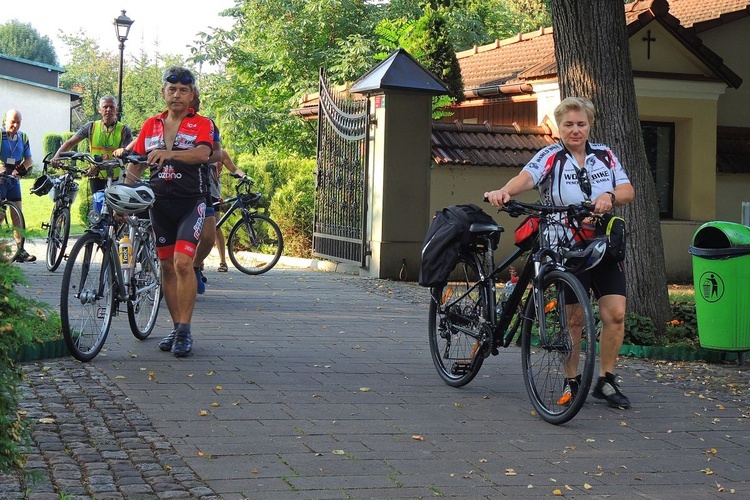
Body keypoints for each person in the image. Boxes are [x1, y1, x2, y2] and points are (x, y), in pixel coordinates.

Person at [484, 96, 635, 409]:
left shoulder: (604, 155)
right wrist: (505, 191)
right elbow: (525, 178)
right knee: (574, 320)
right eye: (569, 124)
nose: (575, 130)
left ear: (589, 125)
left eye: (581, 124)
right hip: (565, 247)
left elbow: (627, 190)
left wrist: (609, 195)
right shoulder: (550, 156)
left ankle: (606, 381)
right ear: (559, 127)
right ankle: (572, 380)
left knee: (616, 315)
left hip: (603, 245)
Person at [120, 66, 214, 357]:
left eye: (183, 90)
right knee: (166, 268)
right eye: (172, 89)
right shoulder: (150, 125)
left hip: (191, 202)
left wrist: (170, 154)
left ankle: (186, 330)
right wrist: (123, 198)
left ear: (191, 95)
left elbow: (203, 154)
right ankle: (176, 327)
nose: (177, 95)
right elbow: (135, 164)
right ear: (163, 93)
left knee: (183, 263)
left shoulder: (202, 123)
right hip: (159, 204)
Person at [53, 96, 133, 214]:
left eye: (111, 107)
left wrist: (99, 166)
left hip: (116, 178)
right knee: (98, 211)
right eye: (105, 107)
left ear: (116, 110)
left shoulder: (124, 130)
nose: (108, 110)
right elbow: (70, 142)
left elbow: (125, 156)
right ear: (99, 109)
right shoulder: (90, 127)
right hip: (96, 177)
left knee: (116, 215)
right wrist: (56, 157)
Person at [193, 148, 246, 276]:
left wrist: (243, 175)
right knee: (197, 227)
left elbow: (233, 168)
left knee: (215, 227)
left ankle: (222, 261)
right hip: (198, 193)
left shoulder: (221, 153)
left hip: (214, 194)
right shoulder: (197, 150)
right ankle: (199, 261)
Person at [1, 109, 36, 262]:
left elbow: (29, 160)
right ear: (5, 121)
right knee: (0, 216)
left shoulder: (23, 137)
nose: (15, 125)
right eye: (12, 121)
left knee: (17, 215)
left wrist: (20, 170)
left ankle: (20, 250)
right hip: (0, 180)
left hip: (13, 180)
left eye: (18, 122)